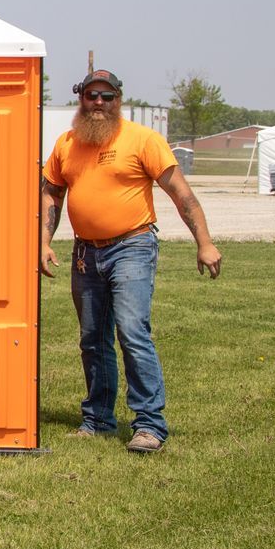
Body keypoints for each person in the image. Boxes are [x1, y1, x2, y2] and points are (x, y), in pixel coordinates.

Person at [39, 70, 222, 452]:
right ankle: (99, 419)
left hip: (132, 246)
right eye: (92, 95)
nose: (99, 103)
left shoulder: (144, 140)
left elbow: (181, 194)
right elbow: (52, 194)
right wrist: (44, 242)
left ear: (119, 100)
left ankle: (149, 425)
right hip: (86, 253)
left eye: (107, 96)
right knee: (92, 340)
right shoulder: (67, 144)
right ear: (82, 99)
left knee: (132, 332)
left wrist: (204, 243)